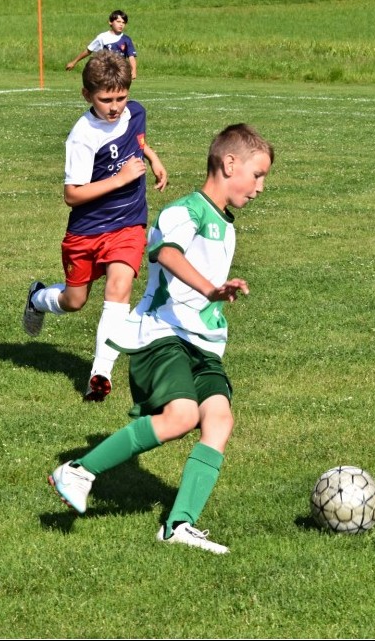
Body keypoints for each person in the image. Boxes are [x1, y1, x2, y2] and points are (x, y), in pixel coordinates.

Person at [48, 124, 274, 555]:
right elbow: (166, 253)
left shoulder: (225, 223)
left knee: (219, 420)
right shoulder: (184, 211)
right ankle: (79, 471)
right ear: (230, 164)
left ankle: (178, 526)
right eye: (257, 174)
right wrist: (211, 288)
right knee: (182, 414)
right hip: (162, 336)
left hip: (203, 345)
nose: (261, 187)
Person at [23, 50, 167, 401]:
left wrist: (154, 159)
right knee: (74, 301)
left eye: (121, 97)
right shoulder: (82, 136)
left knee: (119, 287)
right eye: (106, 100)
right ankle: (38, 298)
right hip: (87, 231)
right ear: (87, 95)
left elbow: (138, 140)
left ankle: (99, 375)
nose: (115, 106)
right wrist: (119, 179)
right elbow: (72, 195)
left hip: (128, 224)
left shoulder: (136, 112)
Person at [65, 10, 138, 80]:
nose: (121, 24)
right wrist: (74, 62)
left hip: (120, 72)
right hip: (105, 72)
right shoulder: (102, 37)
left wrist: (134, 70)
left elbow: (131, 57)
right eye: (118, 21)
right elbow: (88, 50)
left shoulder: (126, 39)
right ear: (110, 22)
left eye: (123, 22)